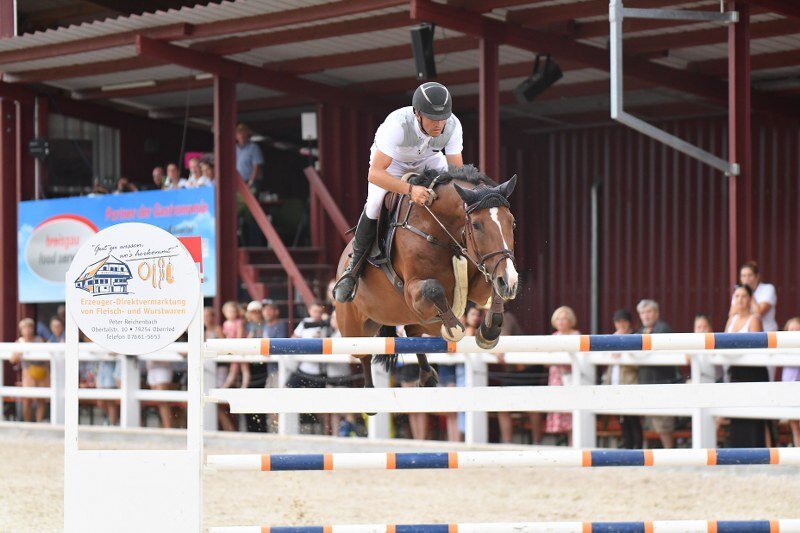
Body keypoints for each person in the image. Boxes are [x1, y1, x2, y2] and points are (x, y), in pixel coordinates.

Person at [332, 81, 464, 303]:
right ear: (417, 114)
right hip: (391, 164)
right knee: (374, 205)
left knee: (456, 197)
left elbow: (456, 173)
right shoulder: (397, 125)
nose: (439, 124)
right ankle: (353, 269)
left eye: (443, 118)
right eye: (433, 118)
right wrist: (410, 190)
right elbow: (375, 174)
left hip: (429, 160)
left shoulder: (453, 125)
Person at [724, 284, 769, 448]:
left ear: (750, 299)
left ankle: (757, 450)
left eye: (744, 296)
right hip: (736, 371)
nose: (740, 300)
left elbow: (756, 347)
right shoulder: (731, 319)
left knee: (754, 415)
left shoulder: (754, 319)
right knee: (737, 412)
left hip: (753, 371)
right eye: (737, 296)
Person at [635, 299, 678, 448]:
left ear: (656, 313)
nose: (645, 316)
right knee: (651, 424)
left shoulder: (663, 329)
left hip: (661, 383)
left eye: (649, 312)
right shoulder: (640, 331)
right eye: (642, 313)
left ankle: (670, 454)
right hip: (646, 384)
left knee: (664, 426)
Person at [288, 301, 332, 434]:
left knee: (321, 404)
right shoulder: (304, 323)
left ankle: (325, 432)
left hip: (319, 370)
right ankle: (291, 427)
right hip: (304, 367)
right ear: (310, 311)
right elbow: (293, 338)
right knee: (288, 389)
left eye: (319, 311)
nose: (317, 314)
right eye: (315, 311)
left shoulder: (327, 324)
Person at [601, 309, 642, 449]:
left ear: (630, 322)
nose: (621, 324)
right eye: (618, 322)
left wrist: (623, 354)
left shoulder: (636, 337)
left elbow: (638, 360)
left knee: (633, 418)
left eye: (624, 321)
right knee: (621, 419)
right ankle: (627, 446)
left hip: (630, 382)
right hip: (614, 382)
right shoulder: (612, 338)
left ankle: (637, 447)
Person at [545, 306, 579, 446]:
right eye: (558, 319)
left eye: (564, 318)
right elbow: (546, 360)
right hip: (556, 378)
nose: (561, 321)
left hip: (571, 378)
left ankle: (573, 443)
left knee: (572, 410)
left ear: (571, 321)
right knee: (560, 409)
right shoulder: (553, 337)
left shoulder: (576, 336)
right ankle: (564, 443)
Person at [10, 318, 47, 422]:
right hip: (28, 373)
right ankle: (27, 424)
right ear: (21, 330)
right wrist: (19, 353)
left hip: (41, 372)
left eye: (29, 327)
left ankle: (39, 423)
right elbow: (13, 359)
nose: (27, 330)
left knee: (41, 399)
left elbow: (46, 356)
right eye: (24, 328)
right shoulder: (19, 342)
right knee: (27, 400)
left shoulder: (39, 340)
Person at [730, 261, 777, 332]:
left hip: (768, 333)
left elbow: (759, 313)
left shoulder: (767, 288)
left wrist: (749, 292)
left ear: (757, 276)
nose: (746, 279)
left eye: (750, 275)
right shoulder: (739, 292)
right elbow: (732, 314)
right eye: (743, 276)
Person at [781, 317, 800, 447]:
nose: (794, 332)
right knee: (794, 426)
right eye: (791, 330)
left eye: (797, 330)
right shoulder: (783, 348)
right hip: (788, 387)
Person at [236, 123, 264, 189]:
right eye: (239, 133)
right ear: (236, 136)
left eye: (244, 133)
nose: (241, 135)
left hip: (252, 182)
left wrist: (250, 182)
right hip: (239, 182)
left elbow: (256, 166)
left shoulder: (254, 148)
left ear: (247, 135)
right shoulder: (235, 149)